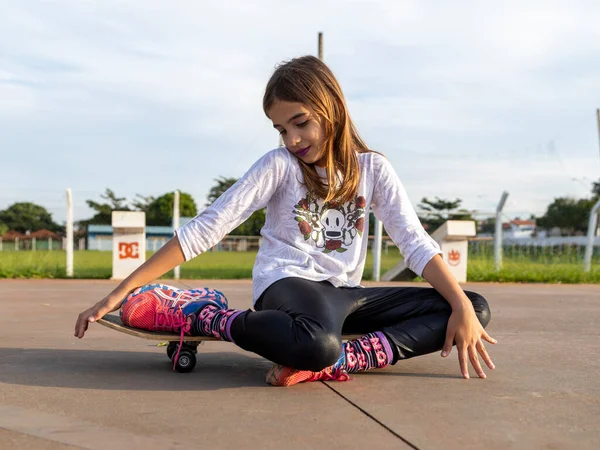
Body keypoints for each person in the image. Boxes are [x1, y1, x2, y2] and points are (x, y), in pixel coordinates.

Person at [75, 55, 496, 386]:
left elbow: (415, 243)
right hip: (287, 284)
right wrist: (121, 290)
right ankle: (207, 315)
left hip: (346, 294)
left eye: (301, 123)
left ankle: (343, 360)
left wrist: (459, 304)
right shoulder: (281, 166)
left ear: (331, 109)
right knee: (315, 342)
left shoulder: (373, 170)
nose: (292, 140)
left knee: (472, 307)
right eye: (281, 129)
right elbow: (209, 226)